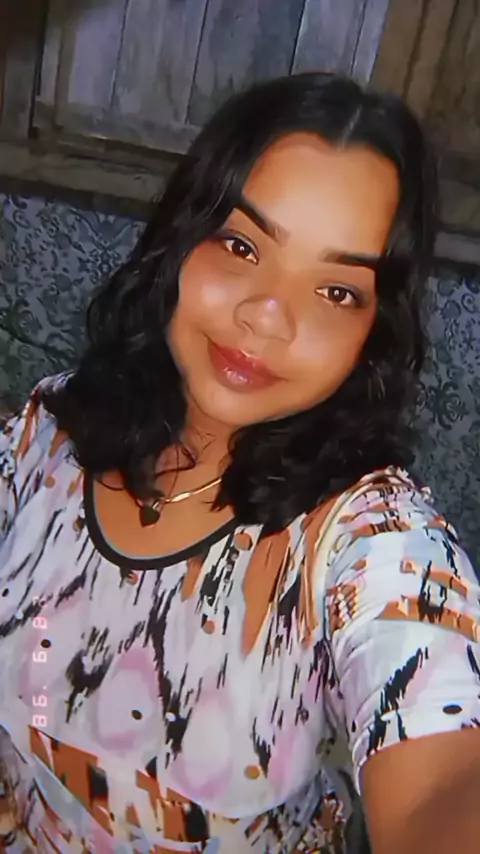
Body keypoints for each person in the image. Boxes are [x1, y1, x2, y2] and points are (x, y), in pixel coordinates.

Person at [0, 71, 479, 854]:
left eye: (336, 291)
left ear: (374, 331)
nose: (267, 316)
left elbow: (440, 784)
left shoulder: (371, 545)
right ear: (181, 240)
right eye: (241, 245)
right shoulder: (53, 428)